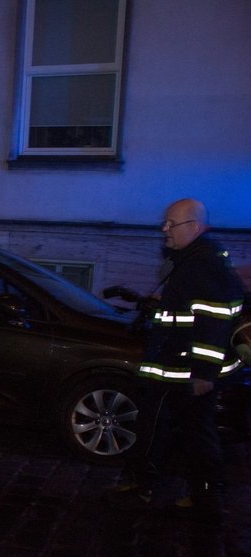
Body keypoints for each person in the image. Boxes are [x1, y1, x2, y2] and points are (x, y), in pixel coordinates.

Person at [112, 198, 244, 524]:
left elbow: (213, 322)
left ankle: (205, 497)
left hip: (187, 371)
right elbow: (187, 312)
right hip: (173, 365)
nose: (164, 230)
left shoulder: (204, 265)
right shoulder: (190, 260)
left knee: (196, 435)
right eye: (165, 223)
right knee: (156, 424)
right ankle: (146, 481)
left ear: (194, 228)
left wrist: (204, 374)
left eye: (172, 224)